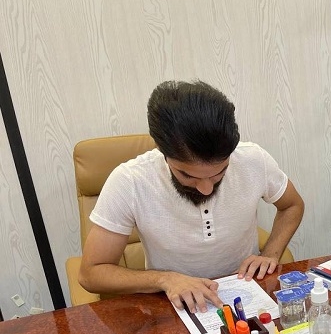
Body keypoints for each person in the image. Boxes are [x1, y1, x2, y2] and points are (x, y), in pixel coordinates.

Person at [79, 80, 304, 314]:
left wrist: (270, 253)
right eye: (188, 175)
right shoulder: (130, 181)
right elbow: (91, 273)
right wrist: (165, 279)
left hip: (245, 294)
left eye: (219, 172)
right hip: (173, 306)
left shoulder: (253, 160)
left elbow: (292, 206)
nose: (206, 189)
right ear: (161, 150)